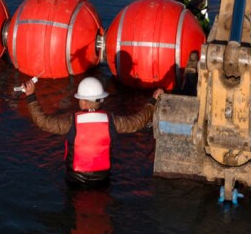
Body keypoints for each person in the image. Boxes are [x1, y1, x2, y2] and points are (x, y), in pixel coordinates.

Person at [23, 76, 159, 189]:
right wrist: (152, 101)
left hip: (75, 181)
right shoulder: (111, 121)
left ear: (83, 102)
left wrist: (30, 96)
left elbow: (42, 122)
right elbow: (138, 122)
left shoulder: (71, 122)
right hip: (102, 181)